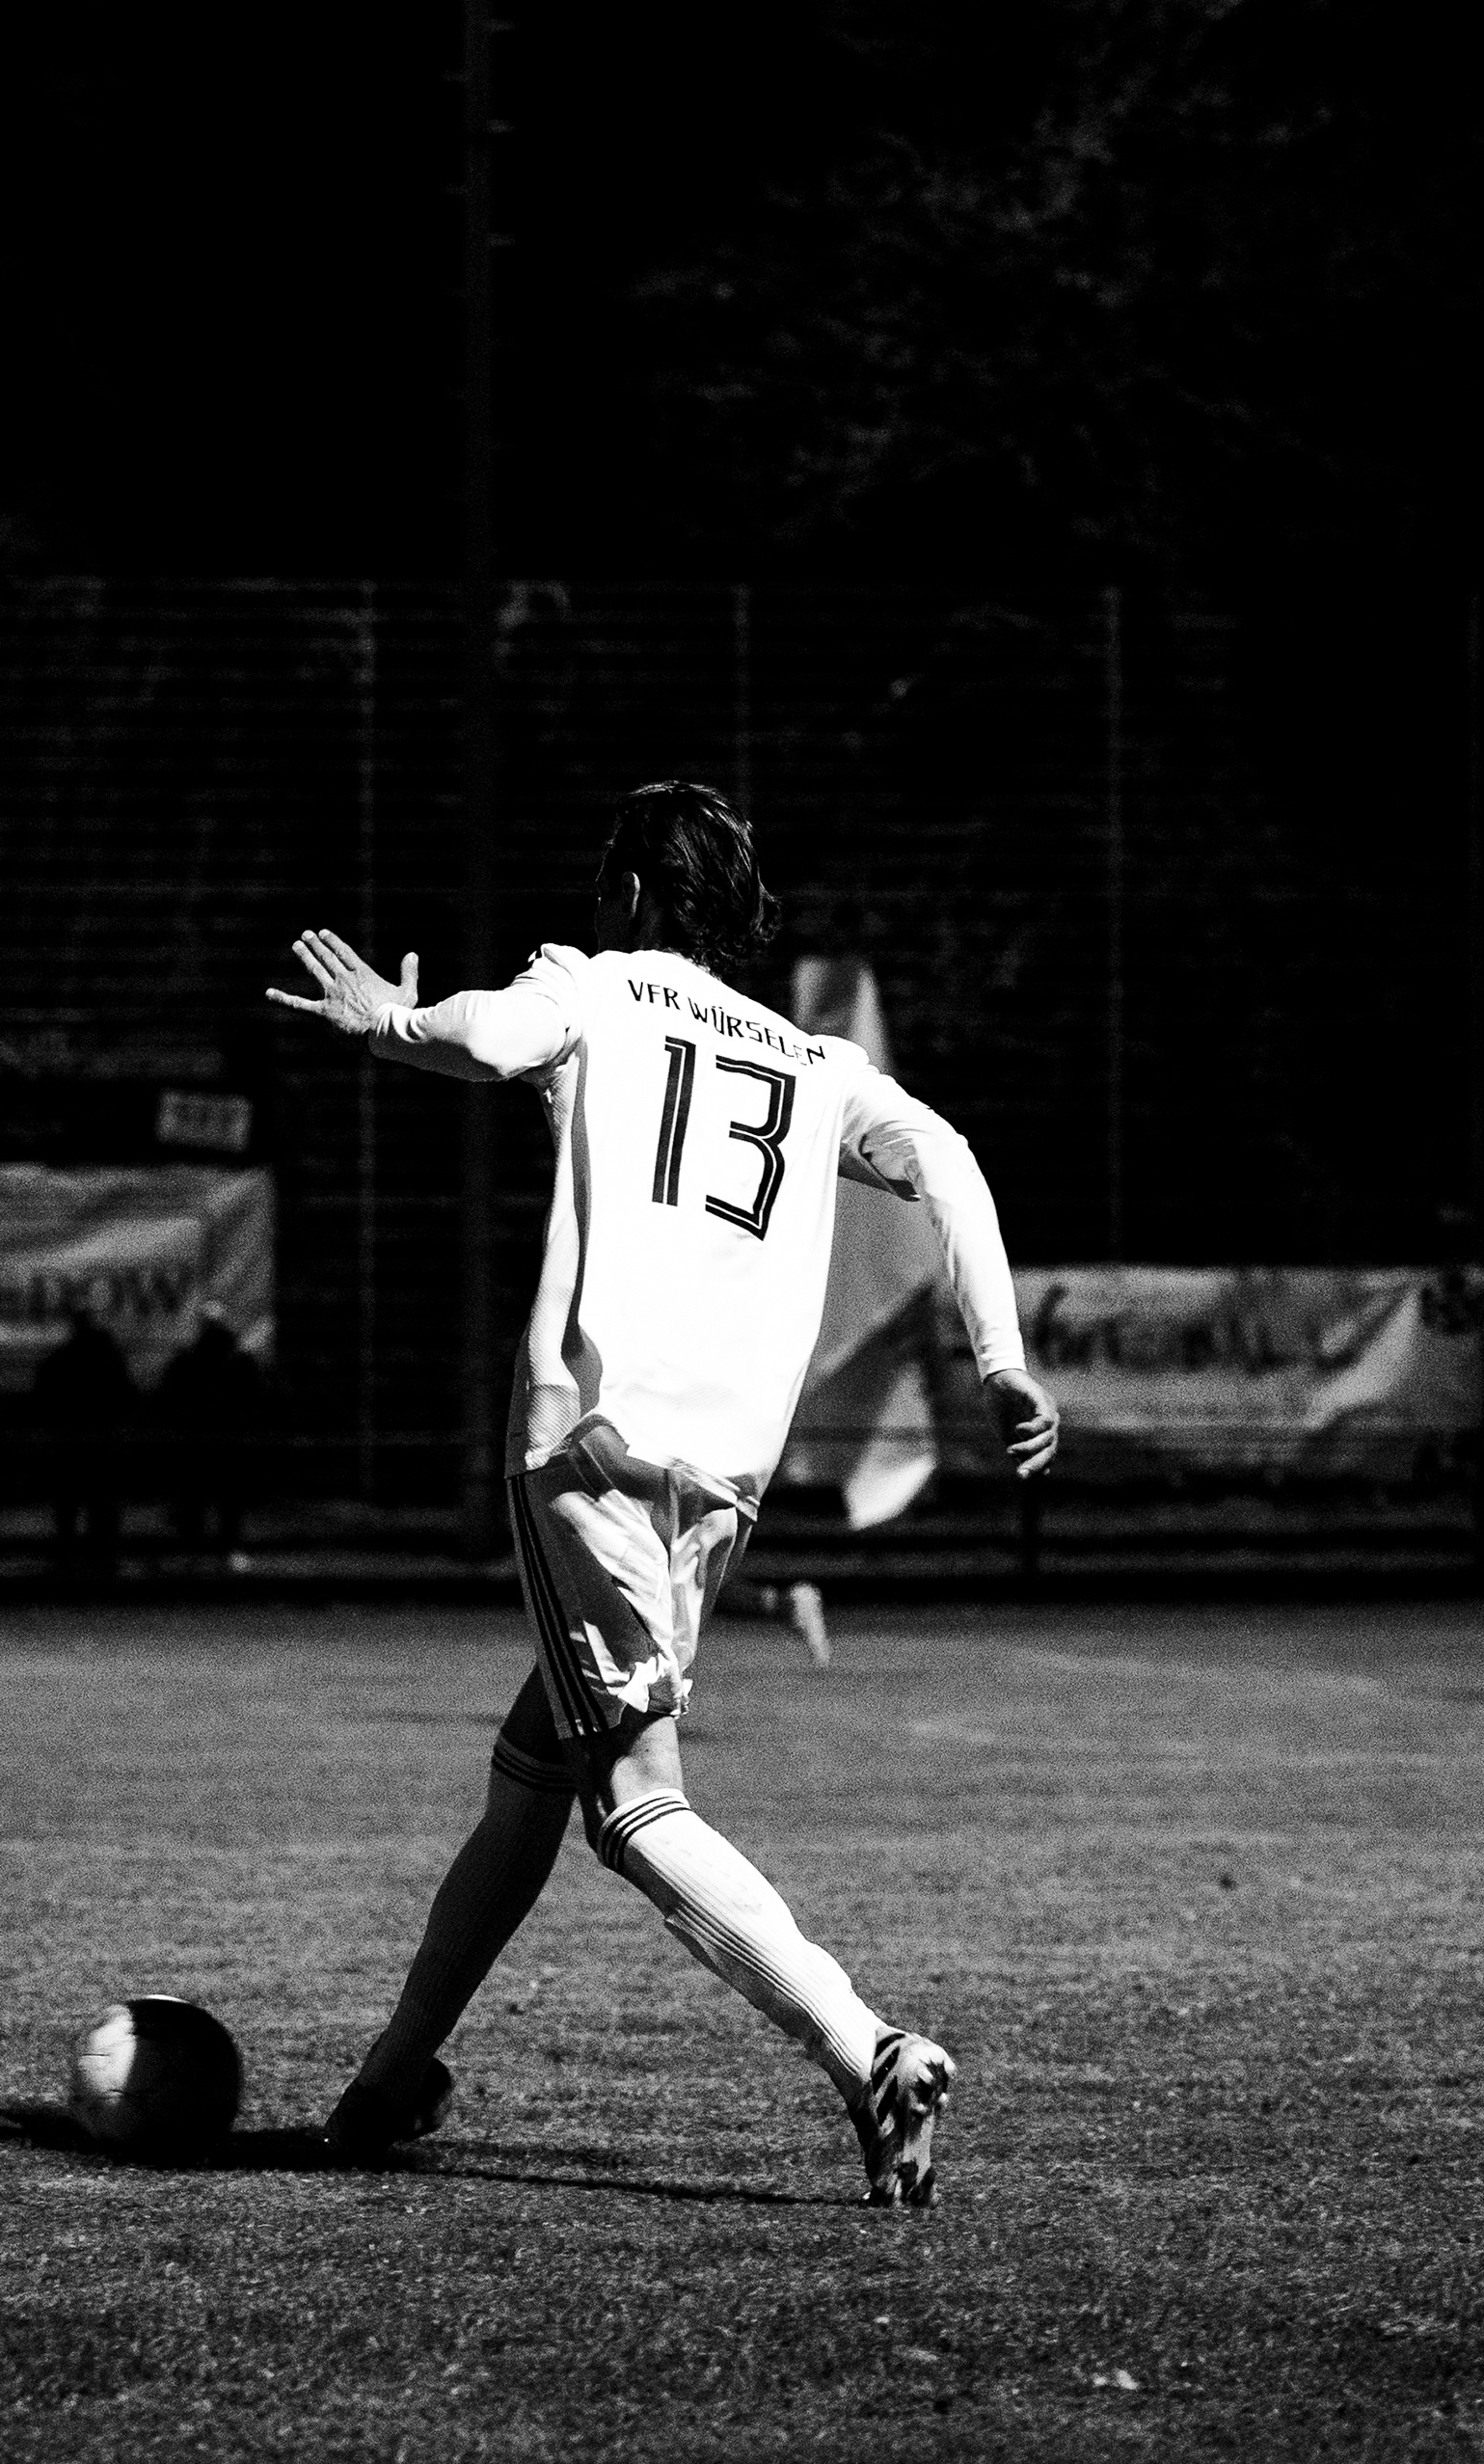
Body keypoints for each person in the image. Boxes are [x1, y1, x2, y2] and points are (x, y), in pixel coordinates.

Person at [267, 779, 1059, 2207]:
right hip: (724, 1481)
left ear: (634, 892)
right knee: (532, 1772)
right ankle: (390, 2078)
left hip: (593, 1447)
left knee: (632, 1802)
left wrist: (391, 1019)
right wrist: (1000, 1355)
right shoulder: (813, 1061)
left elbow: (488, 1035)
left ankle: (867, 2047)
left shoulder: (594, 984)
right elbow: (948, 1159)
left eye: (603, 876)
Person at [157, 1306, 268, 1570]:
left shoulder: (188, 1359)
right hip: (229, 1439)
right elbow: (256, 1399)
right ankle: (229, 1550)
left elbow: (170, 1397)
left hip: (197, 1439)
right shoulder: (240, 1360)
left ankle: (193, 1550)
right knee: (229, 1501)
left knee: (194, 1499)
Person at [33, 1311, 134, 1580]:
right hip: (102, 1439)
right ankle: (103, 1557)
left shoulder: (62, 1358)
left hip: (70, 1438)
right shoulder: (109, 1358)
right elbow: (126, 1396)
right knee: (102, 1503)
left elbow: (43, 1394)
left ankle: (67, 1557)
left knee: (68, 1502)